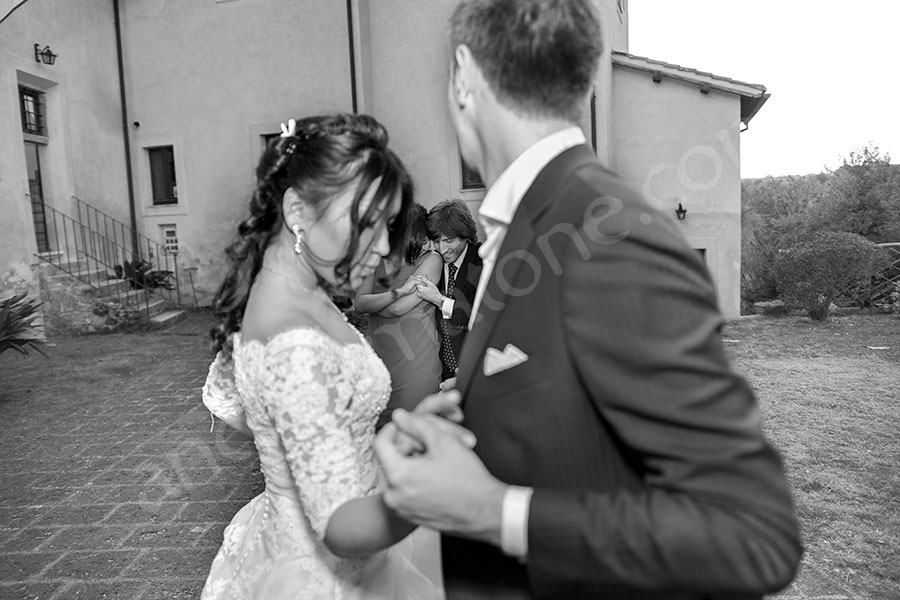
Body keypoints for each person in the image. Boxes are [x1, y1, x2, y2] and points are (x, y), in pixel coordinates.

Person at [375, 2, 803, 599]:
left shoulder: (606, 236)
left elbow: (751, 532)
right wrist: (471, 414)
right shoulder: (526, 223)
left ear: (464, 78)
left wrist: (495, 512)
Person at [199, 113, 466, 599]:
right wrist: (437, 485)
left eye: (388, 225)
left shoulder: (297, 289)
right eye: (367, 223)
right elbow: (343, 527)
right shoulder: (292, 339)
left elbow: (250, 414)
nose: (385, 245)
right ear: (298, 211)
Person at [356, 203, 443, 430]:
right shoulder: (374, 258)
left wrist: (376, 303)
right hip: (381, 360)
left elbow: (398, 309)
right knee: (382, 435)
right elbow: (359, 303)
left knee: (413, 433)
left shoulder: (431, 260)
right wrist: (398, 292)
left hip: (417, 361)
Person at [415, 199, 482, 381]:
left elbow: (479, 315)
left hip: (472, 368)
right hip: (440, 370)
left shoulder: (483, 261)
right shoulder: (433, 261)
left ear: (465, 234)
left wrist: (439, 300)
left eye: (448, 240)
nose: (442, 249)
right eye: (437, 241)